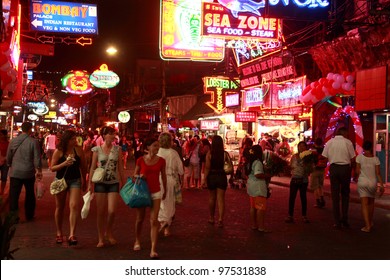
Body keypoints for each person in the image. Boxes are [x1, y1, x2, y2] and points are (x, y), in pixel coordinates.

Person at [89, 126, 125, 247]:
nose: (112, 136)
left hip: (113, 182)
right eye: (109, 134)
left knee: (112, 210)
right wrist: (90, 184)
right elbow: (93, 167)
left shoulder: (118, 149)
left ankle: (108, 232)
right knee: (100, 212)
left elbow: (120, 166)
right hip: (100, 182)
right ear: (104, 136)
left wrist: (123, 181)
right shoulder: (97, 150)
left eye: (113, 134)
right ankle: (100, 237)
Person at [50, 129, 87, 245]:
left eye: (75, 138)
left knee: (74, 205)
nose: (75, 140)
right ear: (67, 140)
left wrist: (85, 180)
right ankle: (59, 232)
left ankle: (72, 234)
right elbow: (52, 167)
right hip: (61, 181)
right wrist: (64, 163)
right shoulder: (59, 151)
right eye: (72, 139)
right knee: (59, 207)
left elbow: (84, 166)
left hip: (75, 180)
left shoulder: (79, 150)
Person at [133, 137, 167, 259]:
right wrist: (140, 175)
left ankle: (153, 249)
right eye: (154, 146)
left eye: (158, 146)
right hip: (143, 191)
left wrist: (166, 190)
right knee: (140, 218)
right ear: (148, 147)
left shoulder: (161, 161)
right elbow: (134, 175)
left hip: (156, 192)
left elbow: (163, 176)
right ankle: (137, 239)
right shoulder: (140, 160)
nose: (157, 148)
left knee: (154, 220)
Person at [6, 122, 42, 222]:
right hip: (28, 172)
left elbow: (9, 156)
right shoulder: (33, 142)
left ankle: (13, 216)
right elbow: (36, 158)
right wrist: (38, 169)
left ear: (22, 129)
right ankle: (29, 215)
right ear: (30, 129)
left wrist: (10, 164)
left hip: (15, 172)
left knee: (14, 195)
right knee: (30, 194)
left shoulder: (13, 141)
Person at [322, 127, 356, 229]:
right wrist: (354, 171)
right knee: (345, 194)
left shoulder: (329, 142)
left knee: (335, 195)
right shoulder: (348, 142)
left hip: (334, 168)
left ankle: (337, 221)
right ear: (343, 132)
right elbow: (353, 158)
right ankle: (344, 218)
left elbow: (324, 157)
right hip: (345, 168)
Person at [157, 132, 184, 237]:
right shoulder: (173, 153)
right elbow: (181, 170)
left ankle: (162, 221)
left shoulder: (158, 152)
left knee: (160, 203)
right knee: (170, 203)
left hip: (158, 179)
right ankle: (167, 227)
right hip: (170, 179)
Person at [355, 140, 385, 233]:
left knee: (364, 204)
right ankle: (370, 222)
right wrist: (381, 185)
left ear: (363, 147)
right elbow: (378, 173)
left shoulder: (359, 158)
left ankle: (367, 225)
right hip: (373, 183)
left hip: (362, 182)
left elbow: (357, 171)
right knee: (371, 203)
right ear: (371, 147)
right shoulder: (375, 159)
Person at [246, 145, 271, 232]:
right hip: (258, 187)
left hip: (251, 187)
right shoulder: (258, 162)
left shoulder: (249, 162)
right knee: (260, 207)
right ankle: (261, 227)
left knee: (253, 207)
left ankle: (254, 225)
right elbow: (258, 174)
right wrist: (267, 175)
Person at [204, 135, 228, 227]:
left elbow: (207, 168)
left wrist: (204, 179)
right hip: (222, 176)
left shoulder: (209, 154)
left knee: (212, 198)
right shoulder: (224, 154)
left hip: (212, 176)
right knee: (221, 199)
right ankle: (221, 219)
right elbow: (227, 165)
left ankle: (211, 217)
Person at [285, 141, 310, 224]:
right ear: (298, 147)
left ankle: (304, 215)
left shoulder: (308, 157)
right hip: (295, 179)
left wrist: (307, 167)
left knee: (303, 198)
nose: (302, 148)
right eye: (300, 146)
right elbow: (291, 166)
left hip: (304, 180)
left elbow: (310, 169)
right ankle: (290, 215)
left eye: (304, 146)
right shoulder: (294, 156)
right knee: (292, 198)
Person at [310, 138, 327, 208]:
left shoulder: (313, 150)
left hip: (315, 169)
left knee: (315, 186)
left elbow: (310, 160)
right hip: (322, 169)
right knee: (320, 185)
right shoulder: (324, 150)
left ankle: (318, 201)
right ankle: (322, 198)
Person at [0, 129, 9, 195]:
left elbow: (9, 153)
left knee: (4, 177)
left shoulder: (8, 143)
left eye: (1, 134)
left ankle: (2, 191)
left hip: (5, 162)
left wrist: (5, 158)